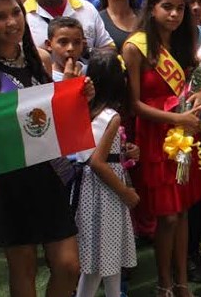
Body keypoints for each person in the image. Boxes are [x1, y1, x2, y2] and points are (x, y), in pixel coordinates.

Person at [0, 0, 82, 297]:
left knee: (68, 265)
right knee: (24, 269)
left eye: (15, 12)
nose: (12, 22)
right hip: (7, 179)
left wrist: (76, 94)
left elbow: (52, 120)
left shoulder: (42, 59)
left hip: (46, 171)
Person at [122, 0, 201, 297]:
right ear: (152, 8)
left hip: (183, 134)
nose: (174, 14)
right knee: (166, 216)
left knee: (182, 211)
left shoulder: (184, 42)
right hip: (156, 138)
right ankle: (163, 283)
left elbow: (196, 81)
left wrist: (199, 97)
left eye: (180, 8)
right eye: (167, 7)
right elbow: (134, 104)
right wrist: (177, 118)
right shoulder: (135, 47)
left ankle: (182, 281)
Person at [75, 49, 139, 297]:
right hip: (108, 193)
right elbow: (98, 162)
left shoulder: (88, 113)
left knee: (104, 261)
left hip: (93, 192)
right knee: (103, 261)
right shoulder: (111, 117)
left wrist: (125, 151)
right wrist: (126, 192)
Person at [44, 16, 87, 81]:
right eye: (63, 42)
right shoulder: (46, 78)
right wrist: (67, 83)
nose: (71, 48)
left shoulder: (90, 71)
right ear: (49, 45)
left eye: (77, 42)